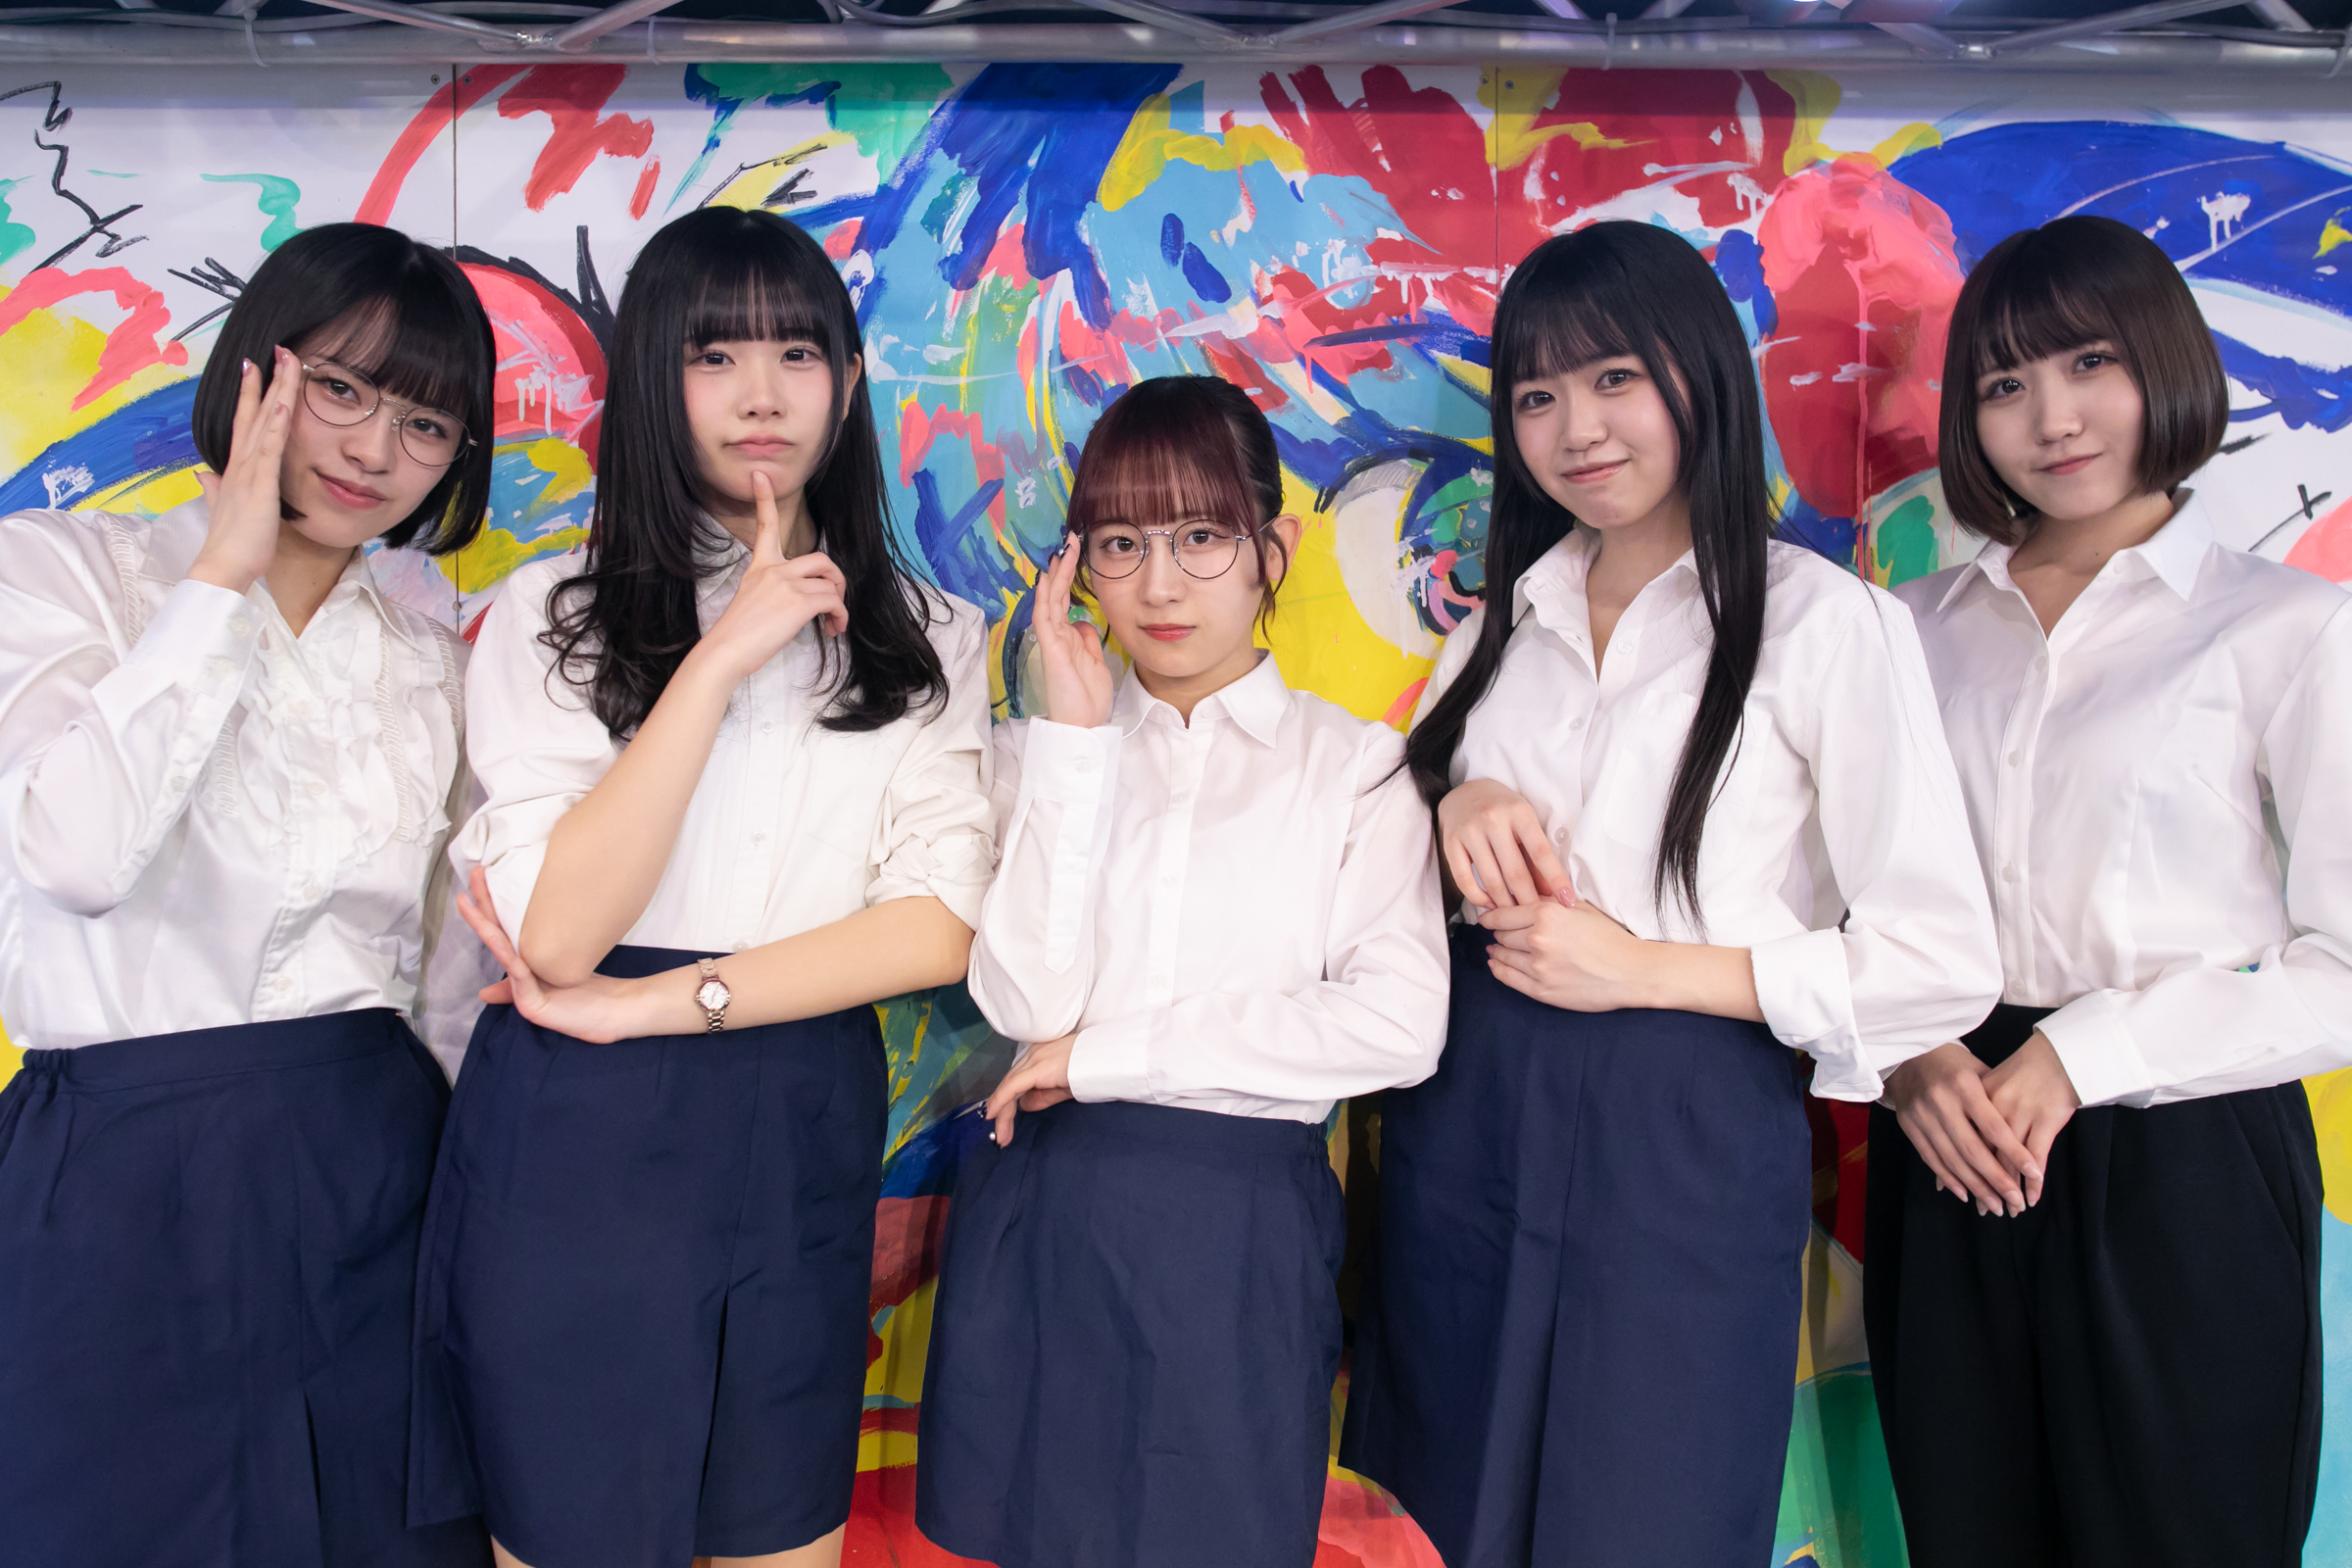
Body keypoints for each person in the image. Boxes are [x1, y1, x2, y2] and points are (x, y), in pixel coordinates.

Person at [1339, 220, 2003, 1568]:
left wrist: (1649, 971)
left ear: (1699, 375)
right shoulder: (1501, 623)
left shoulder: (1825, 623)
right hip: (1471, 1116)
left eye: (1614, 379)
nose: (1576, 429)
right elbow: (1376, 863)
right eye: (1537, 396)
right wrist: (1451, 797)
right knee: (1454, 1509)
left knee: (1650, 1509)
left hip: (1685, 1127)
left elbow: (1939, 957)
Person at [405, 206, 996, 1568]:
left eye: (798, 353)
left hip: (797, 1108)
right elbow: (561, 935)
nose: (762, 395)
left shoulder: (933, 635)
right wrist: (721, 657)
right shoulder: (552, 614)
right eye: (714, 356)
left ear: (849, 379)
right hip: (579, 1124)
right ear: (652, 382)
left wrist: (664, 1007)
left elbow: (937, 926)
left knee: (782, 1533)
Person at [0, 221, 498, 1568]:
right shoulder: (62, 573)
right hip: (118, 1173)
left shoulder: (435, 657)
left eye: (425, 424)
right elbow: (75, 859)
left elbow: (453, 978)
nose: (372, 449)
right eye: (339, 389)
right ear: (256, 370)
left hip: (372, 1175)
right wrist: (218, 577)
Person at [1869, 213, 2351, 1568]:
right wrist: (1910, 1056)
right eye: (2005, 382)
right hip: (1950, 1132)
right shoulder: (1906, 636)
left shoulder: (2288, 626)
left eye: (2090, 363)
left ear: (2164, 365)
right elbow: (1845, 903)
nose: (2053, 417)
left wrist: (2086, 1054)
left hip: (2183, 1149)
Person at [913, 375, 1450, 1568]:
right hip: (1043, 1206)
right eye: (1121, 544)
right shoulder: (1035, 757)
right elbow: (1025, 1001)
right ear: (1080, 568)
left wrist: (1110, 1056)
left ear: (1275, 550)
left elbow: (1398, 1027)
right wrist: (1071, 745)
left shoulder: (1353, 770)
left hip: (1236, 1228)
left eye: (1202, 537)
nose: (1159, 586)